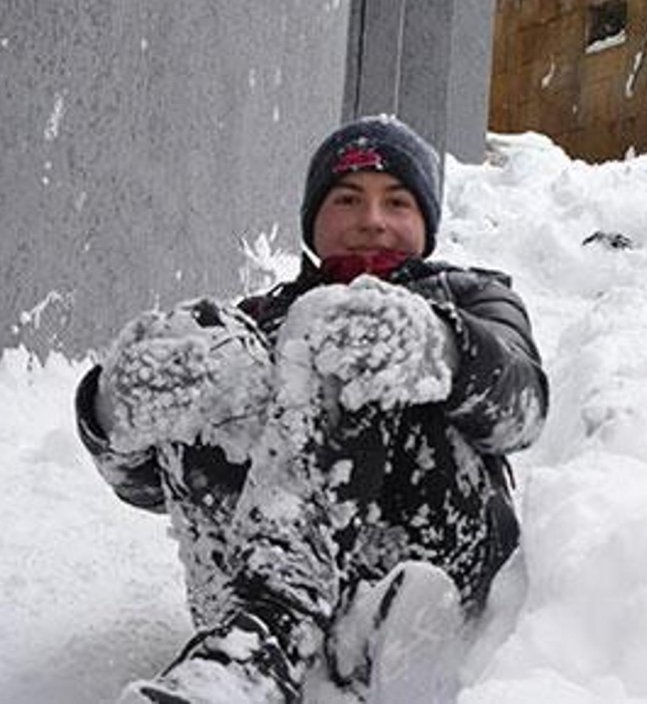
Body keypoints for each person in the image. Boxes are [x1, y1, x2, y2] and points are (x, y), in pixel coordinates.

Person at [75, 115, 548, 703]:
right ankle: (272, 647)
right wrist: (113, 413)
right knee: (205, 339)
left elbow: (521, 412)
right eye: (348, 199)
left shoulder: (473, 296)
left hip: (428, 567)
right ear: (313, 218)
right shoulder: (253, 325)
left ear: (425, 222)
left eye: (397, 202)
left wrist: (439, 348)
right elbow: (155, 489)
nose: (372, 220)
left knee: (346, 325)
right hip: (241, 589)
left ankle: (291, 647)